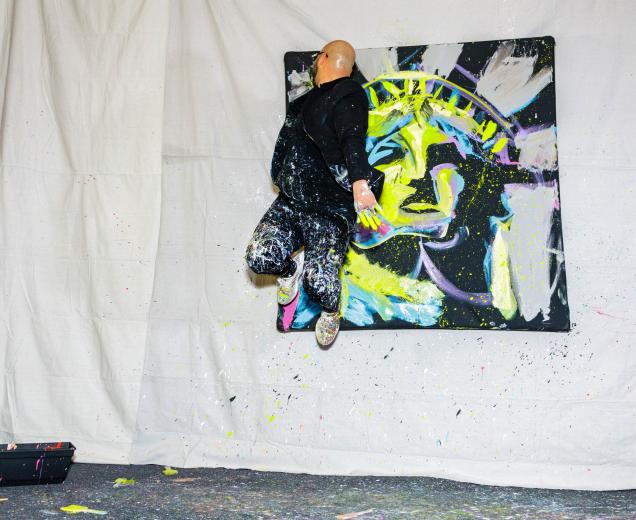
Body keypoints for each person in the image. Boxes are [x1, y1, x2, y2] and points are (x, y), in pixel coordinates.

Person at [245, 40, 383, 347]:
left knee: (319, 284)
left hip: (329, 211)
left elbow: (352, 137)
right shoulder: (303, 103)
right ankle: (289, 273)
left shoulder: (348, 94)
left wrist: (359, 182)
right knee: (259, 256)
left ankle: (331, 312)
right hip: (293, 202)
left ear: (323, 58)